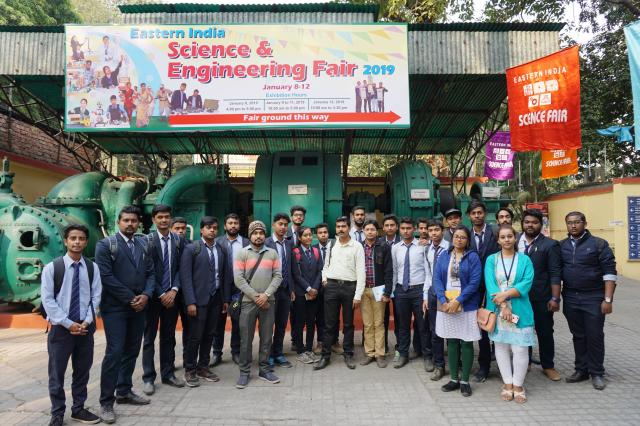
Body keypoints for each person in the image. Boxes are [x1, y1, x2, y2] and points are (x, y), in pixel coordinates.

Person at [95, 206, 155, 424]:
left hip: (139, 307)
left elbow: (151, 273)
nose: (130, 224)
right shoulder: (105, 245)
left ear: (138, 223)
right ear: (118, 222)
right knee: (114, 352)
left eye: (134, 221)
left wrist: (146, 295)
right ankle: (106, 402)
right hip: (116, 308)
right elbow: (106, 277)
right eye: (126, 220)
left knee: (131, 350)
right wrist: (131, 298)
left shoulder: (143, 244)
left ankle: (124, 391)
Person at [42, 224, 102, 426]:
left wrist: (86, 321)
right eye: (73, 238)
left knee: (82, 371)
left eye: (81, 238)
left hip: (85, 328)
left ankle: (78, 409)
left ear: (86, 242)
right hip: (61, 329)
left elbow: (96, 296)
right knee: (56, 373)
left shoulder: (92, 268)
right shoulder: (53, 268)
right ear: (66, 241)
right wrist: (68, 324)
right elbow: (48, 300)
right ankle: (57, 413)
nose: (77, 242)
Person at [560, 212, 617, 390]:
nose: (573, 225)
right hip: (570, 297)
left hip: (594, 297)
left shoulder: (599, 244)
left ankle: (597, 373)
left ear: (585, 223)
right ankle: (581, 370)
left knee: (595, 335)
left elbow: (610, 273)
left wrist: (608, 299)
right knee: (578, 335)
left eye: (577, 222)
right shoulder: (561, 245)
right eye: (570, 223)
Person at [485, 224, 535, 403]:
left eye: (510, 236)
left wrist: (505, 295)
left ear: (515, 238)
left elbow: (526, 283)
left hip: (520, 308)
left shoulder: (525, 260)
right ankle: (507, 383)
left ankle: (518, 385)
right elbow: (490, 284)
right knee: (501, 347)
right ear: (498, 240)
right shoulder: (491, 260)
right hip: (498, 309)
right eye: (503, 237)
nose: (506, 240)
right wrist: (504, 305)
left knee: (520, 348)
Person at [180, 217, 230, 387]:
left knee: (210, 334)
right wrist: (190, 302)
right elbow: (185, 277)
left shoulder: (221, 249)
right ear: (201, 230)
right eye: (209, 227)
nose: (212, 230)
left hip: (216, 299)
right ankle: (189, 369)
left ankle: (203, 367)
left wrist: (225, 299)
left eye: (215, 228)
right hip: (197, 300)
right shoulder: (191, 249)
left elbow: (224, 275)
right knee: (195, 336)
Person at [141, 205, 186, 396]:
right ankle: (148, 378)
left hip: (172, 298)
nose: (164, 220)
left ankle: (168, 374)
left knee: (168, 337)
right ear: (153, 219)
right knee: (149, 338)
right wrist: (161, 293)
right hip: (153, 298)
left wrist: (174, 290)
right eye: (160, 217)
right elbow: (147, 270)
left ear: (171, 218)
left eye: (167, 217)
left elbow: (181, 268)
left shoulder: (178, 240)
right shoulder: (146, 241)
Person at [433, 225, 482, 397]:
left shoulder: (473, 257)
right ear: (452, 238)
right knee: (452, 341)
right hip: (446, 305)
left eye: (463, 237)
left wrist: (459, 300)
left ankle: (465, 381)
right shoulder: (444, 255)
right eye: (456, 237)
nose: (459, 240)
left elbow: (475, 282)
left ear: (468, 240)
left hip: (466, 305)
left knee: (467, 341)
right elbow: (436, 279)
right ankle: (454, 379)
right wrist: (443, 300)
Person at [235, 220, 283, 389]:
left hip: (268, 302)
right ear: (250, 235)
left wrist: (266, 295)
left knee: (266, 338)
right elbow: (238, 279)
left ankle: (264, 369)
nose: (258, 236)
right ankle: (244, 372)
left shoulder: (272, 253)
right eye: (255, 233)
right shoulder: (242, 253)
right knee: (246, 339)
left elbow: (278, 276)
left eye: (261, 233)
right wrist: (257, 297)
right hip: (248, 302)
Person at [314, 215, 365, 371]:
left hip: (349, 288)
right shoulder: (332, 244)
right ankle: (325, 356)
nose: (341, 229)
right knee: (329, 324)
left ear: (349, 228)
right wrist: (325, 279)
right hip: (332, 287)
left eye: (343, 226)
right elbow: (325, 266)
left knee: (348, 324)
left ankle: (348, 354)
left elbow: (361, 272)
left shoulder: (357, 246)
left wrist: (358, 295)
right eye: (338, 227)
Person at [518, 209, 562, 381]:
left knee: (545, 332)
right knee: (522, 330)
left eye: (534, 222)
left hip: (541, 297)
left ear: (541, 224)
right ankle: (526, 361)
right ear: (522, 223)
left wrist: (555, 298)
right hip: (519, 297)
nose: (530, 225)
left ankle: (548, 365)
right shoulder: (514, 241)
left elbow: (555, 273)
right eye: (527, 222)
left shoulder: (550, 245)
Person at [389, 217, 432, 370]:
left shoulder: (423, 246)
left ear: (414, 229)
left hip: (419, 290)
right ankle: (403, 354)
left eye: (408, 228)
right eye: (403, 228)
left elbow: (427, 271)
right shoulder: (395, 248)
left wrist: (425, 293)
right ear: (399, 230)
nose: (406, 231)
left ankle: (428, 356)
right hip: (401, 290)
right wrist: (393, 291)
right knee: (402, 325)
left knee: (423, 325)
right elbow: (395, 270)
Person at [467, 201, 500, 382]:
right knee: (481, 326)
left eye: (480, 212)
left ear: (485, 213)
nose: (477, 216)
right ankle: (484, 366)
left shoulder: (495, 232)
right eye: (473, 213)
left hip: (496, 287)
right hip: (474, 288)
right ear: (469, 216)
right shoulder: (465, 234)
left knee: (500, 323)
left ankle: (504, 364)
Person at [211, 213, 249, 367]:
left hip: (238, 290)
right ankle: (216, 353)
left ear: (239, 225)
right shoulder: (217, 242)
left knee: (237, 321)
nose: (233, 226)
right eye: (230, 223)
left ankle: (236, 351)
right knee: (218, 322)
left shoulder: (246, 243)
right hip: (220, 290)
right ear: (225, 226)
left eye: (236, 223)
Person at [360, 220, 392, 368]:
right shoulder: (359, 247)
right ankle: (369, 353)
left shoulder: (384, 247)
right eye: (367, 229)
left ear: (377, 231)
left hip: (379, 289)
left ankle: (380, 354)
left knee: (379, 323)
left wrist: (387, 292)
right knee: (367, 324)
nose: (370, 232)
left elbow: (388, 270)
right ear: (363, 231)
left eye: (372, 229)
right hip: (363, 290)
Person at [265, 213, 295, 368]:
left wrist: (292, 289)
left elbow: (291, 268)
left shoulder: (289, 244)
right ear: (273, 225)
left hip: (285, 290)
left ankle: (278, 353)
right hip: (269, 291)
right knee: (268, 325)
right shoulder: (266, 243)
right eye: (280, 224)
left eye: (285, 225)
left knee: (282, 324)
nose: (283, 227)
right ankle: (268, 355)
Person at [291, 226, 322, 364]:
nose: (308, 237)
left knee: (311, 322)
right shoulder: (295, 252)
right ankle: (300, 350)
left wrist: (315, 288)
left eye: (310, 235)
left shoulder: (316, 251)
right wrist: (308, 288)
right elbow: (296, 274)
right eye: (305, 235)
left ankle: (309, 349)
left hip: (314, 293)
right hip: (300, 293)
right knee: (299, 322)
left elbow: (320, 271)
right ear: (299, 237)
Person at [423, 219, 450, 381]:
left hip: (449, 293)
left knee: (453, 330)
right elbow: (428, 275)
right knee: (435, 330)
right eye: (430, 230)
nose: (433, 233)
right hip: (433, 293)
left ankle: (456, 364)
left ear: (443, 231)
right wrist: (425, 296)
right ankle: (439, 365)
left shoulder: (451, 247)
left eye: (436, 230)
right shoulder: (427, 249)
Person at [379, 214, 400, 354]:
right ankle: (383, 345)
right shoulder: (379, 242)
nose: (389, 228)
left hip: (399, 285)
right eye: (387, 225)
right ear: (383, 228)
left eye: (392, 225)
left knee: (399, 317)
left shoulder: (402, 241)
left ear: (397, 227)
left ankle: (400, 346)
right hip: (383, 285)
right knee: (383, 317)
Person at [313, 223, 331, 352]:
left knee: (332, 316)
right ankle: (320, 342)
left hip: (332, 286)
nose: (323, 235)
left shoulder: (335, 247)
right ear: (316, 235)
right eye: (320, 233)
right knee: (319, 316)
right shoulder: (312, 249)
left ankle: (334, 342)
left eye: (325, 232)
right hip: (317, 287)